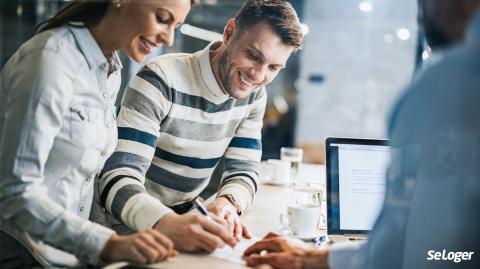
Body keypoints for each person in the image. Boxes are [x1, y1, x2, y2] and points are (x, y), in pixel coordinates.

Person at [243, 0, 480, 268]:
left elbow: (418, 250)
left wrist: (312, 259)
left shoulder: (452, 81)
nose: (422, 9)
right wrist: (318, 257)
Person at [97, 0, 303, 253]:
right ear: (229, 33)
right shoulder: (161, 79)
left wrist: (226, 204)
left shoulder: (254, 96)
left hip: (187, 227)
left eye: (273, 67)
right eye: (252, 55)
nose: (259, 76)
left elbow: (245, 172)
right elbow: (117, 178)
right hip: (128, 234)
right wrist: (169, 223)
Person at [0, 0, 192, 267]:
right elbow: (15, 193)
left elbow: (84, 180)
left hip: (68, 252)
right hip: (26, 251)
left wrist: (112, 241)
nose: (169, 39)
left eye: (176, 26)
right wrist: (107, 244)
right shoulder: (51, 60)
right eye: (162, 18)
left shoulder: (110, 68)